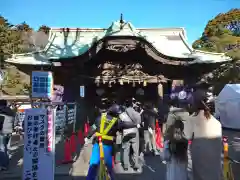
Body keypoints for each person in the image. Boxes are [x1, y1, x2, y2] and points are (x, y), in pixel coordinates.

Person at [86, 103, 133, 180]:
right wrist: (136, 124)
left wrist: (87, 137)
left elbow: (93, 128)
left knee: (93, 165)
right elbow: (126, 125)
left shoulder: (99, 118)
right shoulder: (116, 122)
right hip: (108, 147)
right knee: (109, 167)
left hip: (98, 145)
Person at [184, 89, 222, 180]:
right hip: (216, 156)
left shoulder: (192, 119)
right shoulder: (216, 121)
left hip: (200, 156)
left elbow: (186, 136)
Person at [121, 99, 141, 171]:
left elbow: (120, 124)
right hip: (134, 132)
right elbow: (139, 121)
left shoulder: (122, 114)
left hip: (126, 132)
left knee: (126, 149)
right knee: (135, 149)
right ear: (132, 105)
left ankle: (125, 166)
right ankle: (135, 164)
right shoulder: (135, 113)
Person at [0, 100, 16, 171]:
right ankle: (6, 161)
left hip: (2, 132)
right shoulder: (11, 112)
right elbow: (14, 123)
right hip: (9, 132)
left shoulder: (1, 111)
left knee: (2, 149)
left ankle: (4, 165)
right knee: (6, 147)